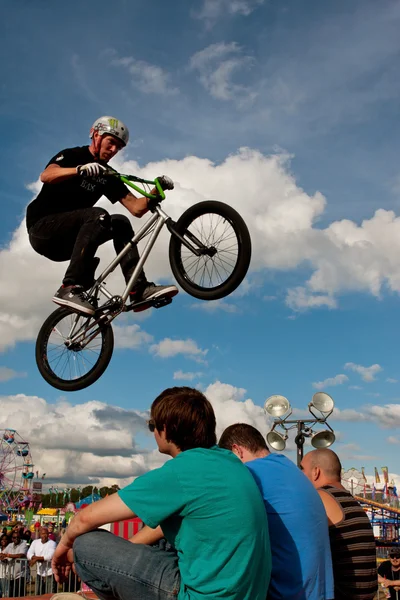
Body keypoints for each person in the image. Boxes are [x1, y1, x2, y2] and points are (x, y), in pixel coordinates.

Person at [52, 386, 271, 600]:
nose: (153, 431)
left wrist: (62, 550)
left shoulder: (182, 472)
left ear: (165, 428)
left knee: (86, 544)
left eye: (151, 425)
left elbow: (84, 519)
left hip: (197, 595)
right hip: (250, 592)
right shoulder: (231, 462)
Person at [26, 116, 178, 315]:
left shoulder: (107, 175)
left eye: (119, 148)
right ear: (96, 135)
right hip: (43, 229)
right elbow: (47, 175)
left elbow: (136, 208)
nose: (114, 150)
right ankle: (68, 288)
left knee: (121, 223)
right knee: (98, 215)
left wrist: (157, 191)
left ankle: (138, 289)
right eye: (111, 143)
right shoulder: (74, 155)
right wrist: (79, 170)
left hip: (69, 245)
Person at [219, 423, 334, 600]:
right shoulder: (289, 468)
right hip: (319, 592)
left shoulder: (250, 474)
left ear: (237, 451)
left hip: (289, 594)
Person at [300, 448, 377, 600]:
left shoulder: (319, 497)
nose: (299, 475)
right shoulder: (350, 501)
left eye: (302, 469)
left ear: (316, 472)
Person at [27, 526, 57, 594]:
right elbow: (29, 553)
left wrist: (35, 559)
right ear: (40, 534)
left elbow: (50, 556)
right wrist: (34, 558)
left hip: (50, 573)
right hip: (39, 573)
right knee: (38, 593)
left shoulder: (52, 543)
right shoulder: (35, 542)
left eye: (46, 533)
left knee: (50, 594)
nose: (44, 535)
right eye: (42, 534)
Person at [0, 529, 28, 597]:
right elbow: (3, 553)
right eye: (14, 537)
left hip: (20, 575)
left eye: (18, 537)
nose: (16, 539)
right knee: (11, 595)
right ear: (12, 538)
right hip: (11, 574)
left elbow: (20, 555)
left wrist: (8, 555)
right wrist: (2, 557)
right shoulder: (10, 545)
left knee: (20, 595)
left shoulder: (23, 544)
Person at [0, 534, 10, 598]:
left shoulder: (10, 549)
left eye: (5, 539)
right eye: (2, 539)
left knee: (5, 593)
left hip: (5, 574)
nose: (4, 541)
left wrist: (4, 559)